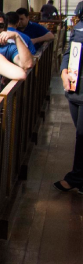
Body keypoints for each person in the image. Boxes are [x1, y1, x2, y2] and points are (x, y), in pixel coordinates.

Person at [58, 14, 83, 192]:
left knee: (82, 136)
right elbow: (70, 51)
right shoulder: (80, 25)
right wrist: (63, 72)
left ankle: (76, 177)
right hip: (75, 90)